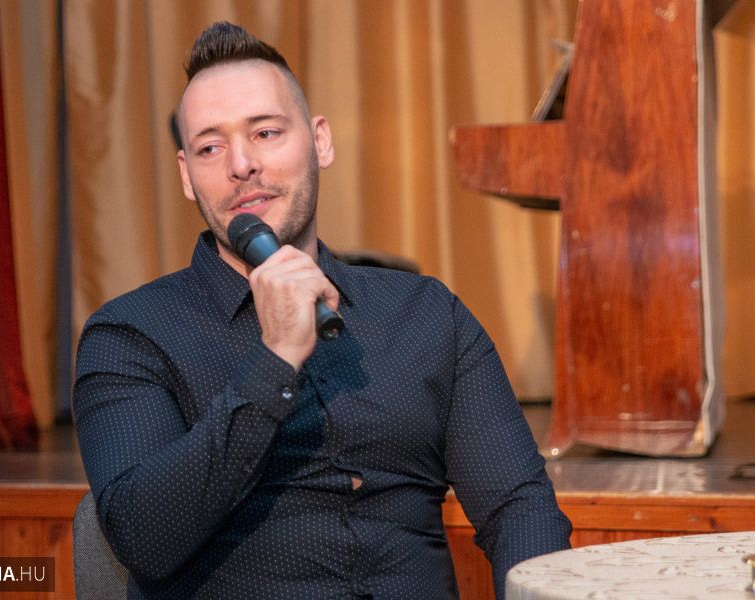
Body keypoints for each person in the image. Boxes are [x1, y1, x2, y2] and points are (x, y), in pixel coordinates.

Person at [73, 21, 572, 600]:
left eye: (265, 132)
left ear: (320, 142)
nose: (241, 164)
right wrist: (275, 359)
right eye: (211, 147)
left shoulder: (428, 315)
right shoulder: (131, 335)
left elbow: (519, 509)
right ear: (187, 176)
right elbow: (141, 536)